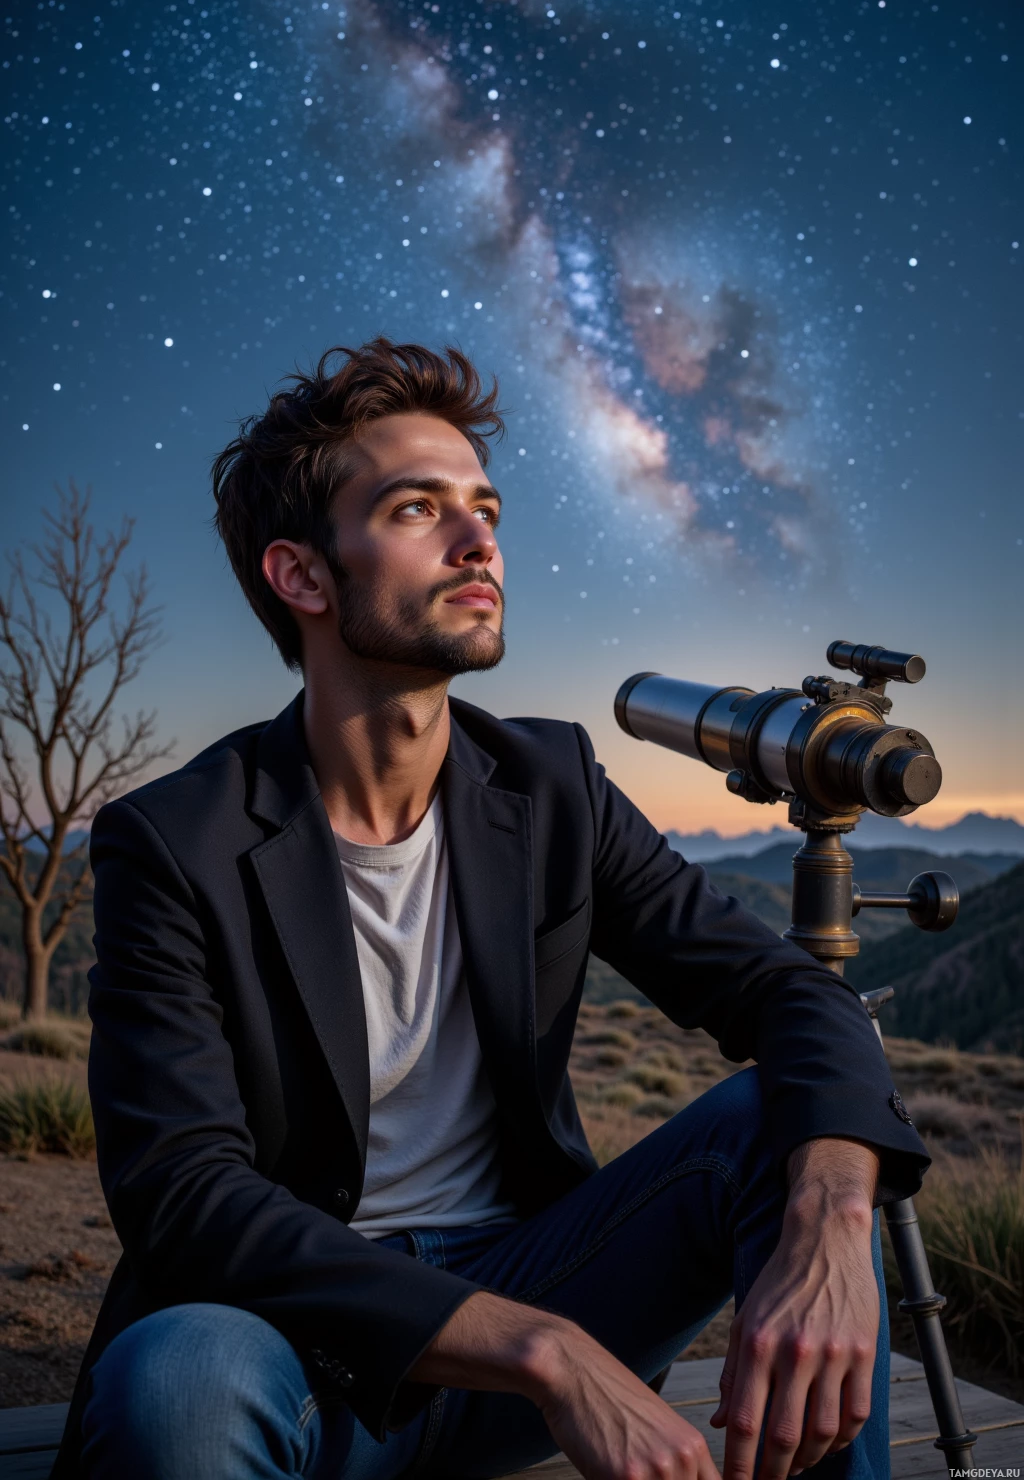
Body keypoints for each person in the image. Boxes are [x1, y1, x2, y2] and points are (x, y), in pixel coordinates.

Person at [56, 338, 928, 1480]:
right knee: (175, 1381)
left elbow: (780, 992)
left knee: (792, 1126)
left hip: (528, 1270)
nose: (480, 543)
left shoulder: (550, 786)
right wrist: (544, 1348)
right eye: (419, 509)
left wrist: (829, 1214)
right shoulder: (175, 839)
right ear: (302, 577)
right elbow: (184, 1195)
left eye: (485, 508)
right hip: (288, 1342)